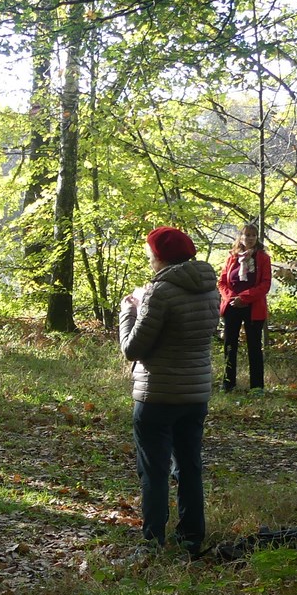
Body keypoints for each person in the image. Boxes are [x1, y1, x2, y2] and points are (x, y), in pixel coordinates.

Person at [119, 226, 220, 556]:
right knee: (190, 466)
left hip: (157, 395)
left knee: (154, 469)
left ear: (160, 257)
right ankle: (191, 536)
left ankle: (153, 541)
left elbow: (133, 349)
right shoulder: (209, 288)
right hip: (196, 394)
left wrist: (130, 309)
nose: (149, 259)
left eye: (150, 253)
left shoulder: (159, 292)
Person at [217, 222, 271, 391]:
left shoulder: (263, 258)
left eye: (253, 235)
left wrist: (245, 298)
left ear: (257, 238)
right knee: (230, 345)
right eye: (246, 235)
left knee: (254, 346)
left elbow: (265, 284)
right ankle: (228, 383)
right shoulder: (232, 257)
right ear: (240, 237)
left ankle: (256, 387)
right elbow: (222, 282)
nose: (249, 238)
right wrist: (232, 298)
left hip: (253, 307)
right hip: (232, 306)